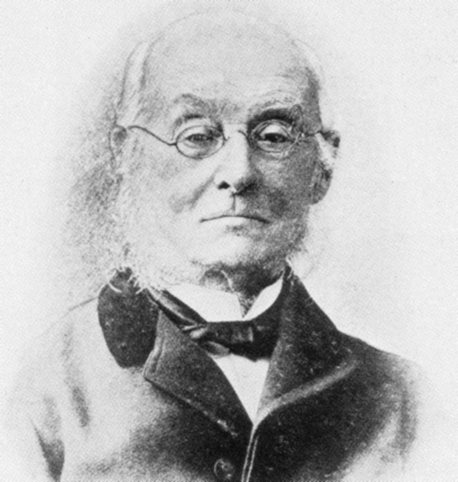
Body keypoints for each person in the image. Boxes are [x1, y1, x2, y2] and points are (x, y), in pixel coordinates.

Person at [5, 11, 426, 482]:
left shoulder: (406, 401)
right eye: (198, 137)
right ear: (125, 155)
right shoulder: (41, 389)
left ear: (323, 167)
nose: (239, 173)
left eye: (274, 136)